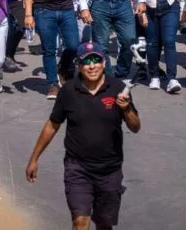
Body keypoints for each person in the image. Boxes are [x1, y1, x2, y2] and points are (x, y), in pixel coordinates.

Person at [25, 41, 141, 230]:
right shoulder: (69, 91)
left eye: (96, 60)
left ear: (104, 63)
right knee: (80, 221)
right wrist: (34, 159)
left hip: (110, 169)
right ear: (79, 65)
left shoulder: (117, 88)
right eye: (87, 62)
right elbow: (52, 125)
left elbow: (135, 127)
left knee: (104, 223)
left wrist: (126, 109)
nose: (92, 66)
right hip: (77, 168)